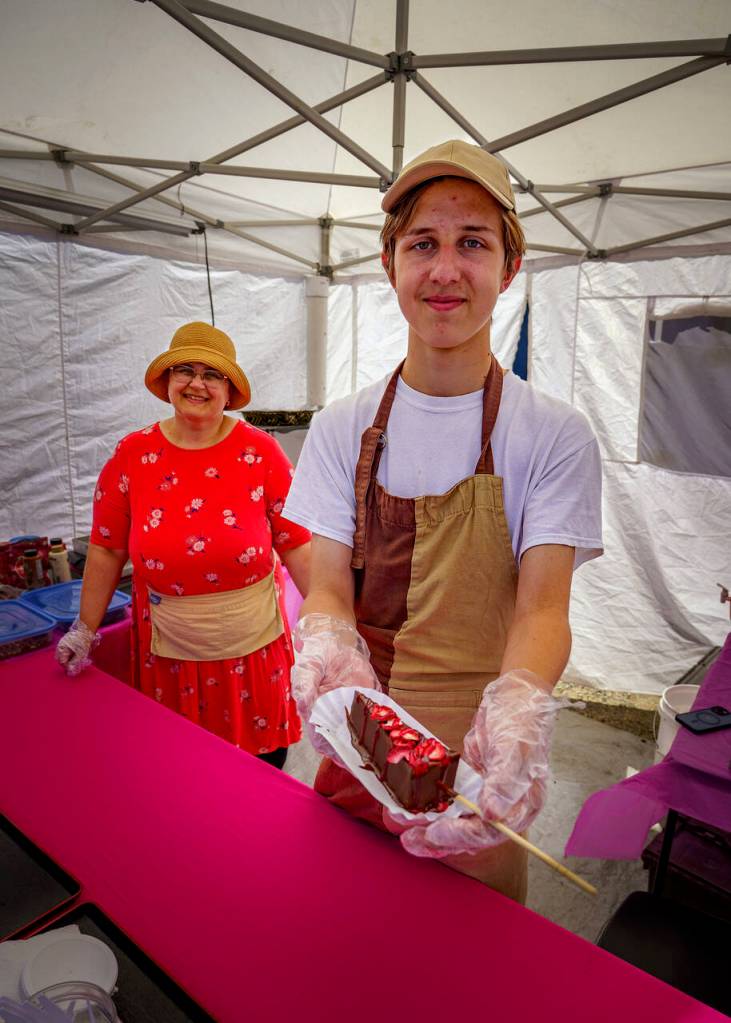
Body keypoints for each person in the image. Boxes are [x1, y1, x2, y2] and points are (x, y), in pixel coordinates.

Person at [283, 140, 603, 900]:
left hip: (472, 778)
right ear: (389, 262)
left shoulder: (552, 433)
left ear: (509, 267)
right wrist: (330, 648)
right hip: (359, 751)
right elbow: (326, 584)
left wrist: (519, 711)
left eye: (473, 244)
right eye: (422, 244)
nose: (445, 270)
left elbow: (542, 607)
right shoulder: (340, 425)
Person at [56, 321, 311, 769]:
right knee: (180, 771)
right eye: (184, 370)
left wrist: (337, 624)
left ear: (229, 391)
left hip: (252, 659)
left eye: (212, 374)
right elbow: (106, 549)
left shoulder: (262, 453)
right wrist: (85, 628)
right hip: (170, 659)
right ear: (168, 383)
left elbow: (297, 546)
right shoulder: (132, 455)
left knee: (259, 776)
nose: (197, 383)